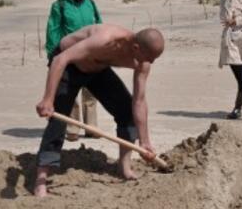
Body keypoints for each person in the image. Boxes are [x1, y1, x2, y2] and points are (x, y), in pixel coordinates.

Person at [33, 24, 165, 198]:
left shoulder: (143, 62)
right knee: (59, 119)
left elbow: (139, 101)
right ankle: (40, 180)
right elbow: (60, 60)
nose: (151, 62)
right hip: (68, 65)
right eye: (149, 57)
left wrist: (144, 141)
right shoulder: (106, 39)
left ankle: (125, 167)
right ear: (136, 48)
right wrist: (48, 99)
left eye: (155, 58)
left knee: (127, 112)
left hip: (97, 69)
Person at [45, 0, 102, 141]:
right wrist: (52, 54)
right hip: (69, 54)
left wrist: (103, 47)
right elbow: (53, 30)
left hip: (90, 52)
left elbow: (99, 25)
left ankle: (91, 127)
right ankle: (73, 128)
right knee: (69, 91)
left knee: (91, 91)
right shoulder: (59, 5)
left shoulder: (90, 3)